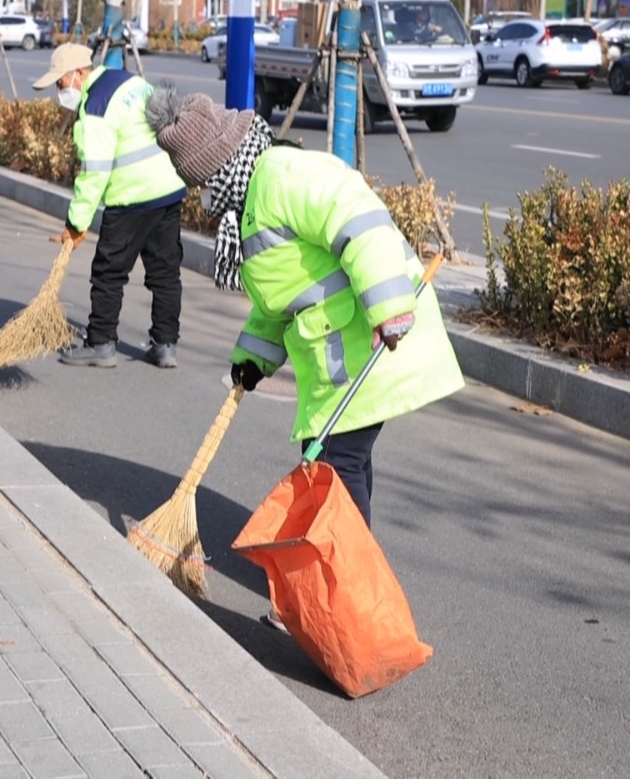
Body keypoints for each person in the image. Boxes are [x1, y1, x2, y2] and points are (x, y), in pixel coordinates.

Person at [146, 84, 464, 530]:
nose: (202, 197)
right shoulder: (252, 201)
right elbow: (283, 299)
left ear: (218, 169)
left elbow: (360, 220)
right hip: (341, 356)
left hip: (374, 339)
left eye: (201, 185)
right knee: (338, 461)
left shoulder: (283, 176)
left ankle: (342, 570)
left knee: (333, 465)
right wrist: (253, 358)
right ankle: (346, 563)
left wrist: (389, 305)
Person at [31, 44, 187, 369]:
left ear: (78, 73)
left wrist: (76, 224)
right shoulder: (128, 81)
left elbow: (94, 173)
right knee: (165, 271)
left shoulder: (96, 106)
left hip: (132, 197)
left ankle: (100, 343)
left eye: (60, 83)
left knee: (108, 273)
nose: (59, 91)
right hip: (170, 187)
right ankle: (165, 345)